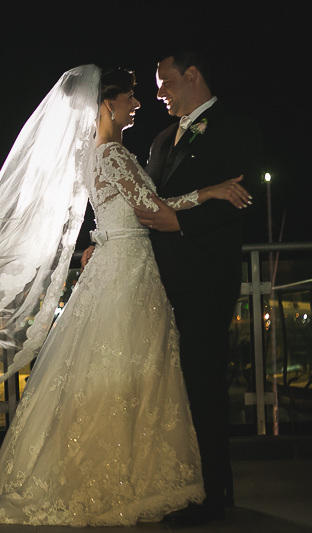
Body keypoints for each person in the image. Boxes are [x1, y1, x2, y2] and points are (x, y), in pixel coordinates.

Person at [0, 67, 251, 526]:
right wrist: (209, 192)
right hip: (128, 270)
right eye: (130, 96)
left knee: (112, 370)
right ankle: (124, 477)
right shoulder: (113, 154)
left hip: (115, 263)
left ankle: (120, 473)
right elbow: (152, 211)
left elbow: (118, 212)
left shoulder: (92, 155)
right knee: (129, 370)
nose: (137, 103)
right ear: (107, 103)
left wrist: (99, 240)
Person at [134, 50, 264, 525]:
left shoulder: (236, 126)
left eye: (165, 83)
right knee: (175, 388)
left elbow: (244, 196)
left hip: (207, 277)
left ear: (192, 75)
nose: (159, 94)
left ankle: (212, 494)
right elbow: (148, 202)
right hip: (160, 281)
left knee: (204, 383)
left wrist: (183, 224)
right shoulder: (160, 140)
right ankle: (185, 484)